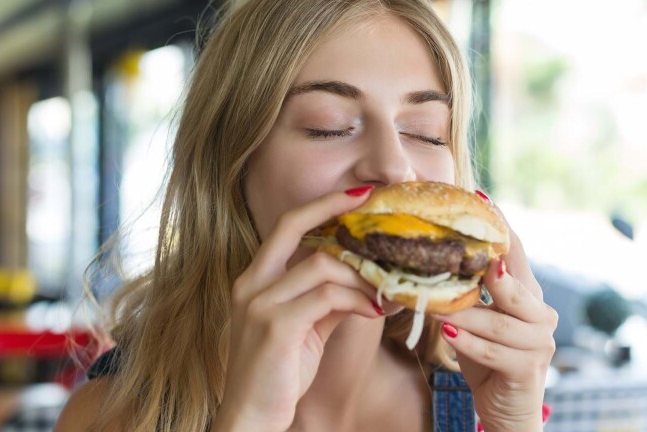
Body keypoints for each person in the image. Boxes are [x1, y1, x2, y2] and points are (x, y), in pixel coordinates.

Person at [56, 0, 558, 430]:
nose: (392, 166)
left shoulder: (473, 401)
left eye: (426, 131)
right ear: (233, 165)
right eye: (329, 126)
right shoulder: (111, 416)